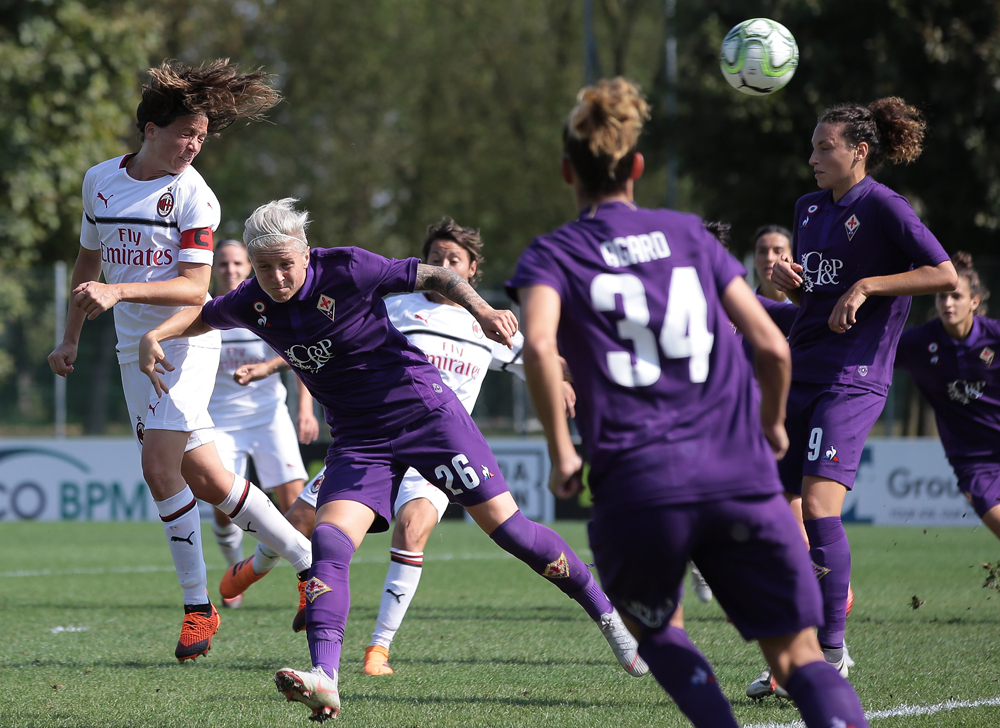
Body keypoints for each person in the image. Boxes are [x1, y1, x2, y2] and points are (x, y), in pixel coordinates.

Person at [138, 198, 645, 722]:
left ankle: (610, 618)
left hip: (427, 415)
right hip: (360, 439)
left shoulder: (349, 267)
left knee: (511, 531)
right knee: (330, 541)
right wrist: (157, 333)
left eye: (284, 264)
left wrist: (484, 310)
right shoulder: (251, 300)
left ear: (306, 254)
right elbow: (204, 314)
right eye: (263, 267)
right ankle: (325, 679)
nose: (275, 277)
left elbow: (434, 276)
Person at [508, 76, 869, 728]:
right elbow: (772, 346)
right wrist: (772, 427)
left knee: (662, 634)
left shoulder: (552, 254)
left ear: (568, 172)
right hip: (738, 475)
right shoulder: (689, 235)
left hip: (636, 486)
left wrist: (561, 454)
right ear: (638, 167)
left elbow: (537, 348)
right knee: (798, 656)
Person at [224, 216, 580, 676]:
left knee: (412, 528)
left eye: (454, 259)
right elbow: (321, 340)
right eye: (436, 258)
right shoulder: (398, 305)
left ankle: (379, 647)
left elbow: (539, 359)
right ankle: (258, 567)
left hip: (436, 441)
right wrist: (269, 368)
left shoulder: (481, 326)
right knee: (300, 519)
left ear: (471, 270)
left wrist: (564, 379)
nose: (443, 264)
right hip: (372, 433)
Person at [47, 60, 314, 662]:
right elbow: (88, 263)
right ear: (149, 129)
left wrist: (118, 295)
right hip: (130, 348)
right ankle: (305, 558)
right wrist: (71, 337)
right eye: (184, 133)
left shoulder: (195, 195)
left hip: (188, 339)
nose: (193, 145)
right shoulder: (100, 182)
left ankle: (198, 608)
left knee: (158, 467)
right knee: (206, 479)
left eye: (200, 136)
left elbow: (197, 290)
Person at [759, 97, 956, 691]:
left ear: (859, 152)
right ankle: (803, 637)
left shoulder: (885, 206)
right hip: (804, 368)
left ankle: (832, 651)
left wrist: (869, 284)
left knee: (819, 507)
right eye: (813, 146)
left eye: (826, 147)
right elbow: (818, 304)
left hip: (854, 378)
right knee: (775, 509)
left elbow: (943, 273)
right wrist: (787, 285)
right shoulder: (809, 208)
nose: (813, 157)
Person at [207, 239, 318, 608]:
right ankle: (234, 571)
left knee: (297, 505)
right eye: (222, 263)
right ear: (214, 268)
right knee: (224, 509)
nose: (230, 269)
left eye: (237, 262)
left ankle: (306, 585)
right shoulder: (207, 311)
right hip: (221, 421)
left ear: (248, 265)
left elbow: (298, 356)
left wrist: (305, 409)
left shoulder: (268, 305)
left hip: (270, 417)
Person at [895, 252, 1000, 536]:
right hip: (973, 459)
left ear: (975, 302)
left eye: (956, 296)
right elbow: (874, 353)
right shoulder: (918, 343)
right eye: (942, 297)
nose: (948, 303)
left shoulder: (995, 337)